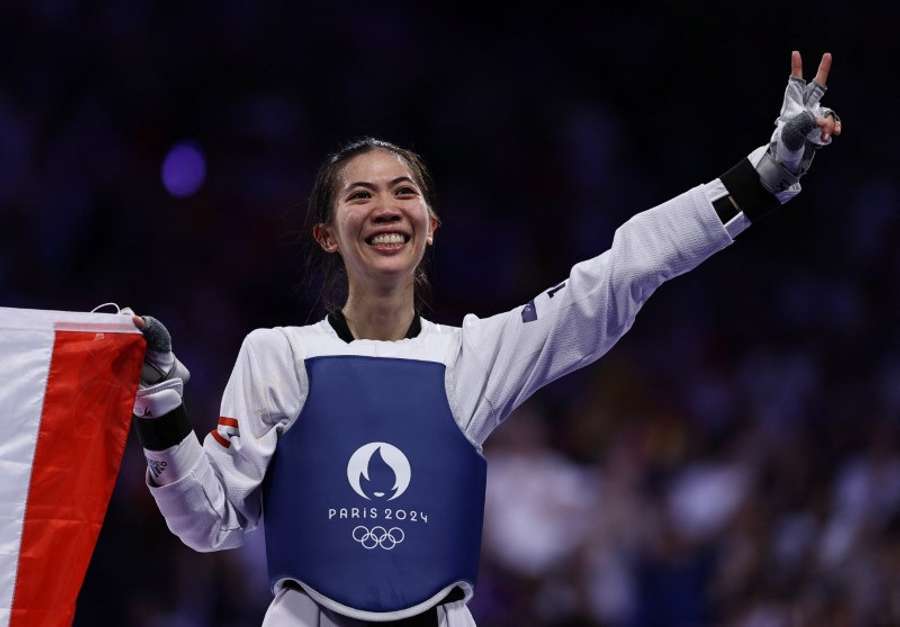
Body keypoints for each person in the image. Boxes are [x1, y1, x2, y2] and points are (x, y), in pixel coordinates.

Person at [127, 51, 842, 626]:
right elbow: (209, 523)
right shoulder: (275, 354)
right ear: (325, 232)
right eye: (361, 193)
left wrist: (766, 174)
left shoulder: (470, 357)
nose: (387, 207)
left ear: (431, 225)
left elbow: (623, 269)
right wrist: (160, 408)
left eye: (405, 190)